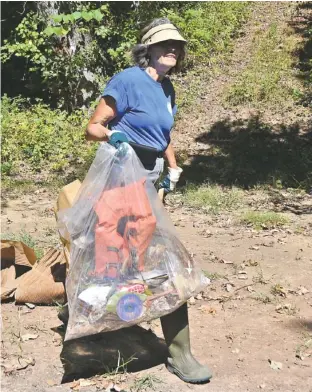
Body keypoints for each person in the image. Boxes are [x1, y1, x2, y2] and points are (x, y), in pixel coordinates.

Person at [84, 18, 212, 383]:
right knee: (153, 260)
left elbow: (163, 134)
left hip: (150, 179)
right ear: (149, 49)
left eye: (177, 46)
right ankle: (174, 353)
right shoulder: (127, 80)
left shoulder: (167, 88)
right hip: (121, 178)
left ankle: (167, 346)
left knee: (145, 259)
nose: (173, 49)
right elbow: (92, 127)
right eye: (165, 44)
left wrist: (172, 167)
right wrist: (114, 137)